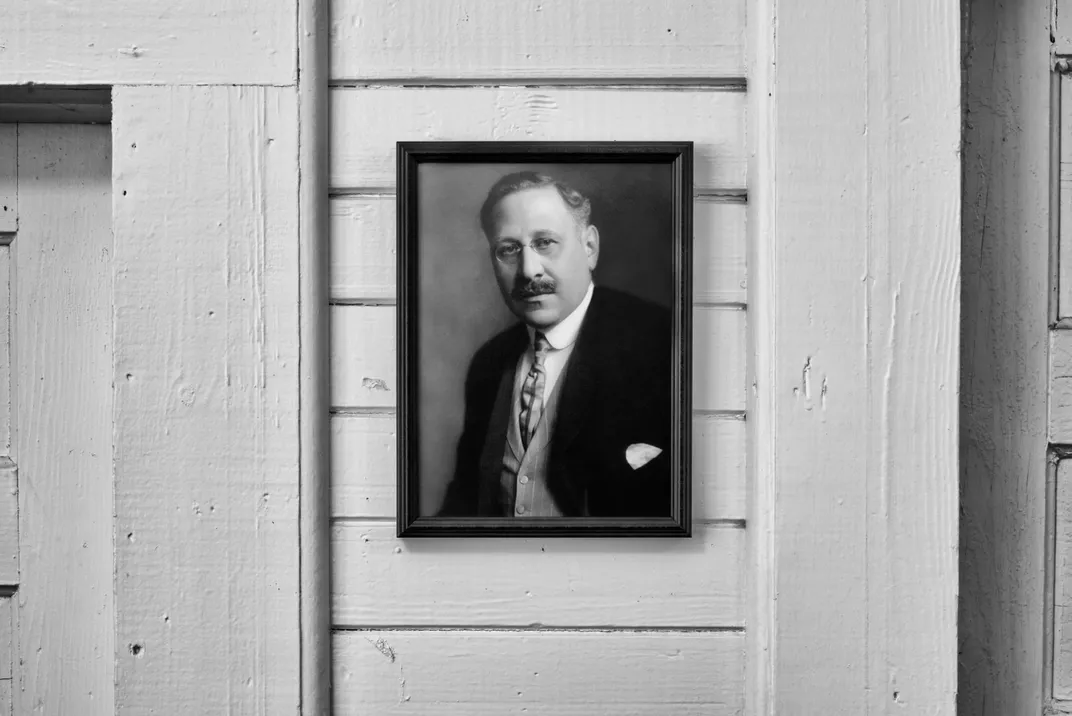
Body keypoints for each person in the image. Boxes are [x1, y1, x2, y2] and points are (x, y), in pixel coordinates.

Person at [437, 171, 674, 518]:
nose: (529, 270)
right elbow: (464, 501)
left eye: (545, 242)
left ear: (589, 247)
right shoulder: (489, 363)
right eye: (508, 249)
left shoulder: (662, 343)